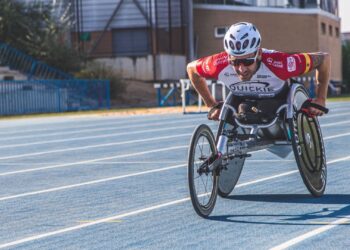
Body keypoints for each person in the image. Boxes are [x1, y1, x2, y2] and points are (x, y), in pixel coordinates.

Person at [186, 22, 330, 121]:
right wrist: (211, 104)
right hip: (243, 99)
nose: (241, 69)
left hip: (279, 98)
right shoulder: (219, 63)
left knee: (262, 108)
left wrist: (321, 99)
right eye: (235, 62)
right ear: (228, 57)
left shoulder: (281, 63)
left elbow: (323, 59)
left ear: (259, 54)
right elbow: (192, 69)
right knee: (241, 110)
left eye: (248, 61)